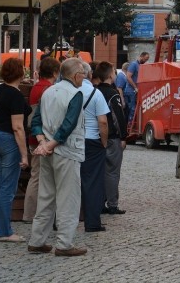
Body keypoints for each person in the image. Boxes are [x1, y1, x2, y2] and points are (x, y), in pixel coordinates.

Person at [28, 57, 88, 257]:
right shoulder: (75, 93)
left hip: (46, 151)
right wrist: (52, 144)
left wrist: (43, 143)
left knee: (46, 196)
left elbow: (36, 120)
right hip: (67, 151)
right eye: (82, 74)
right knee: (68, 199)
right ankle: (64, 244)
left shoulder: (47, 91)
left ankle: (37, 240)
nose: (84, 78)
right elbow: (68, 125)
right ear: (74, 75)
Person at [0, 58, 30, 243]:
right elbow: (18, 127)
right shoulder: (16, 96)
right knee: (8, 188)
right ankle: (4, 231)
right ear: (20, 73)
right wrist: (24, 154)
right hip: (11, 141)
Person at [22, 56, 60, 223]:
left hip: (36, 139)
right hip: (41, 140)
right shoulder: (48, 89)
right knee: (37, 177)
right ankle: (30, 215)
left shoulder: (37, 86)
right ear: (54, 72)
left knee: (38, 176)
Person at [79, 62, 110, 233]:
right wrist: (103, 143)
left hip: (70, 142)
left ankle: (58, 221)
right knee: (92, 183)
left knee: (67, 183)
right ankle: (92, 222)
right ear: (89, 74)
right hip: (91, 141)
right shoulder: (95, 93)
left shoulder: (65, 91)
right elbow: (103, 122)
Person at [97, 61, 128, 215]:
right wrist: (123, 136)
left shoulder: (95, 91)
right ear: (110, 75)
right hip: (111, 136)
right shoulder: (113, 94)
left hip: (96, 137)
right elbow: (118, 117)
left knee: (100, 171)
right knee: (112, 172)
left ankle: (99, 201)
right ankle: (112, 204)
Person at [124, 52, 149, 128]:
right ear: (141, 56)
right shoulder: (134, 64)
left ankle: (131, 125)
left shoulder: (140, 65)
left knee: (134, 109)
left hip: (134, 90)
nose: (146, 61)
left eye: (147, 59)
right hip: (131, 91)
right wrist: (135, 87)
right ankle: (129, 126)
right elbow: (128, 77)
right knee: (132, 109)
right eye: (145, 59)